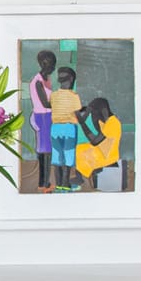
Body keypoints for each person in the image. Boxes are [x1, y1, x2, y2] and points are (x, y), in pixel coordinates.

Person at [74, 97, 123, 189]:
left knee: (82, 152)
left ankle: (82, 176)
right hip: (102, 149)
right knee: (79, 148)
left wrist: (82, 123)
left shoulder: (113, 123)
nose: (94, 115)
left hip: (108, 154)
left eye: (95, 112)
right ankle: (81, 175)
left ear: (103, 110)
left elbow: (95, 142)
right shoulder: (106, 121)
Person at [49, 65, 82, 190]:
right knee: (68, 156)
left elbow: (52, 108)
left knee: (57, 157)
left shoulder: (53, 95)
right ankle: (66, 184)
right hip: (69, 128)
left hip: (55, 128)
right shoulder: (75, 96)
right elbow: (77, 113)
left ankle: (58, 184)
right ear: (72, 79)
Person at [30, 50, 57, 190]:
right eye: (51, 64)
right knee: (45, 150)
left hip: (48, 116)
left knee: (47, 148)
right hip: (42, 117)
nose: (53, 67)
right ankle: (44, 183)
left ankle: (43, 182)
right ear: (43, 63)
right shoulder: (37, 81)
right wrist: (60, 104)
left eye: (54, 64)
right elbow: (45, 103)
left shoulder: (47, 79)